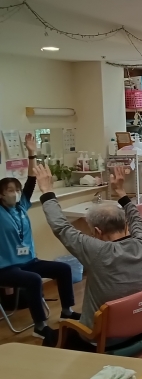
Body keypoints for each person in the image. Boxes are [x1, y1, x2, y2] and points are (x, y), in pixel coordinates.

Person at [35, 164, 142, 349]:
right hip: (136, 330)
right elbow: (136, 218)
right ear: (125, 225)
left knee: (51, 338)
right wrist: (121, 192)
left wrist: (47, 192)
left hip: (103, 339)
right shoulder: (141, 243)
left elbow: (62, 228)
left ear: (97, 231)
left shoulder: (98, 251)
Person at [0, 133, 79, 340]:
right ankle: (40, 326)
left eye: (16, 190)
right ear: (1, 194)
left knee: (63, 269)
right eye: (10, 190)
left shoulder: (21, 207)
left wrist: (32, 153)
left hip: (29, 261)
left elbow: (31, 181)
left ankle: (67, 311)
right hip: (6, 268)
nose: (15, 193)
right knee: (34, 280)